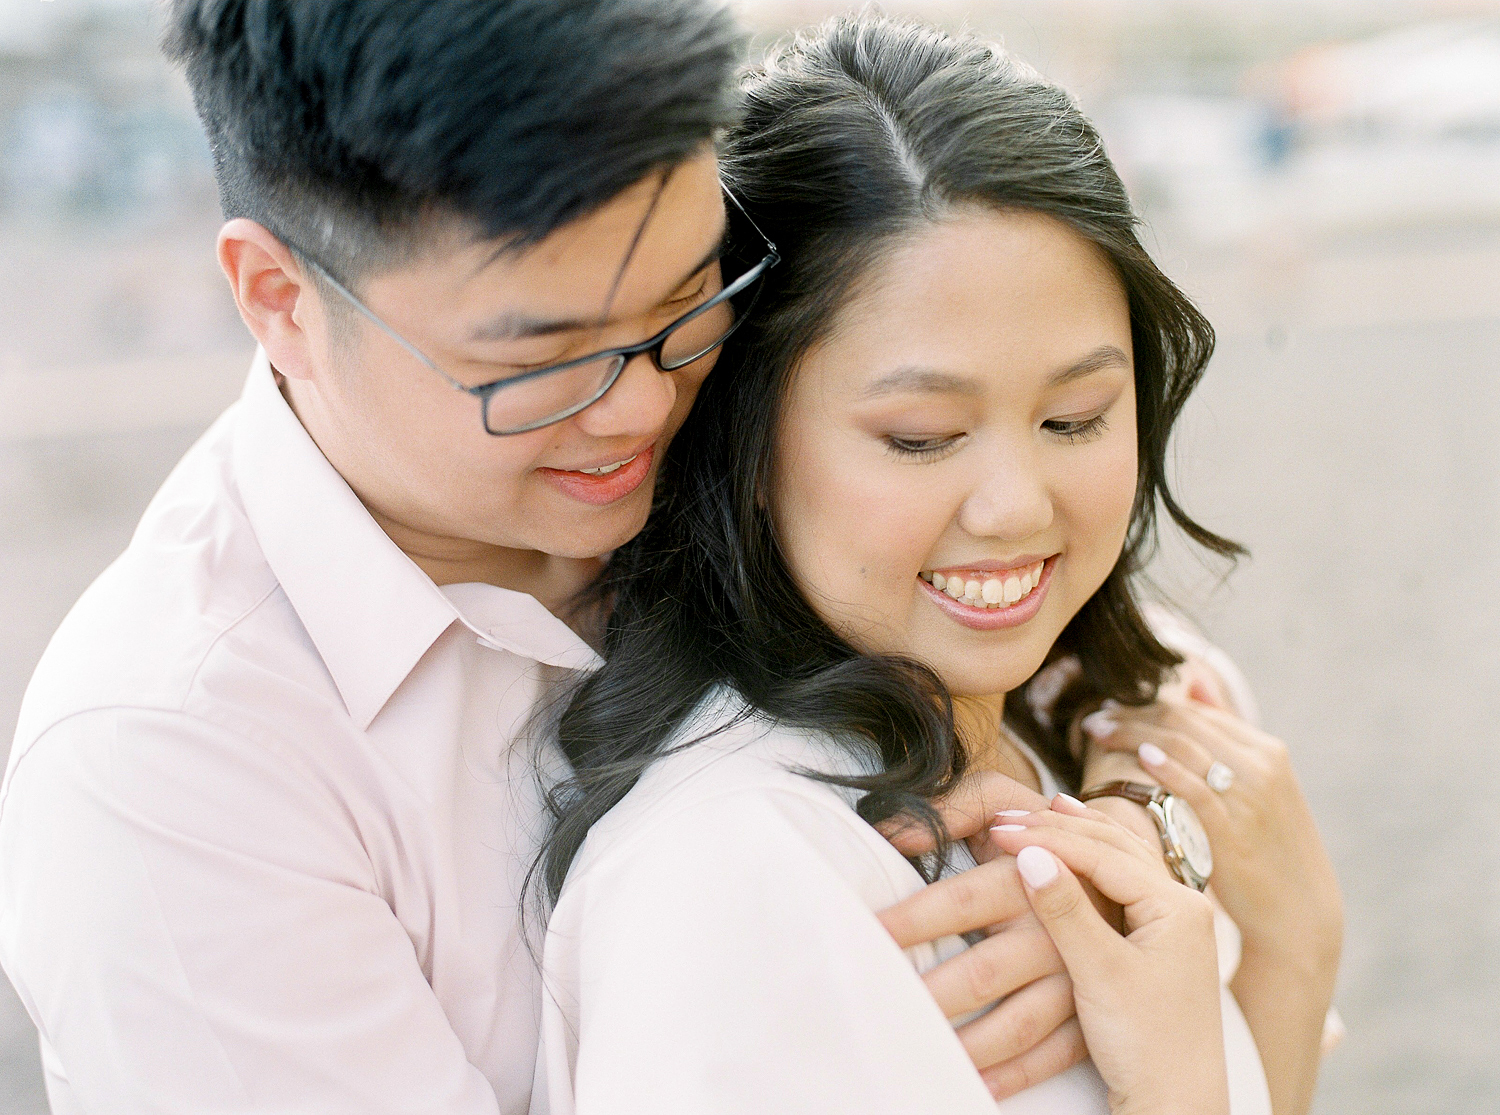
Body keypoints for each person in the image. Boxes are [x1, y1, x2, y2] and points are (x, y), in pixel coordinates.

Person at [0, 2, 1113, 1111]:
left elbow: (1097, 680)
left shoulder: (733, 403)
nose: (637, 405)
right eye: (542, 359)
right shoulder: (171, 775)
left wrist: (1130, 854)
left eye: (688, 296)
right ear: (281, 300)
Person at [530, 14, 1339, 1114]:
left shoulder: (1112, 719)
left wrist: (1292, 945)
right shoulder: (727, 883)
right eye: (921, 436)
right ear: (743, 433)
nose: (1016, 506)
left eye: (1075, 416)